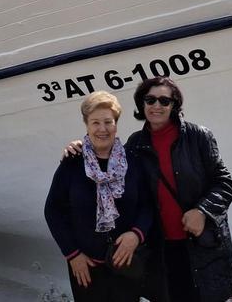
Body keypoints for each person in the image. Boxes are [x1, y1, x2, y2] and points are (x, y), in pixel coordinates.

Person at [63, 77, 232, 302]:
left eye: (164, 101)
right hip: (161, 249)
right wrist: (80, 147)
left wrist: (202, 211)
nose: (157, 106)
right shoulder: (136, 144)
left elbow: (224, 182)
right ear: (142, 104)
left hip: (200, 244)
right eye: (150, 100)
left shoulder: (198, 137)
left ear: (174, 105)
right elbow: (110, 171)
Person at [45, 91, 154, 302]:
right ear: (86, 125)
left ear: (116, 125)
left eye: (108, 122)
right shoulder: (72, 163)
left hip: (125, 262)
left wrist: (136, 235)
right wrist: (72, 255)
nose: (102, 129)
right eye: (95, 123)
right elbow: (53, 211)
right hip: (86, 267)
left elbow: (147, 205)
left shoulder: (132, 162)